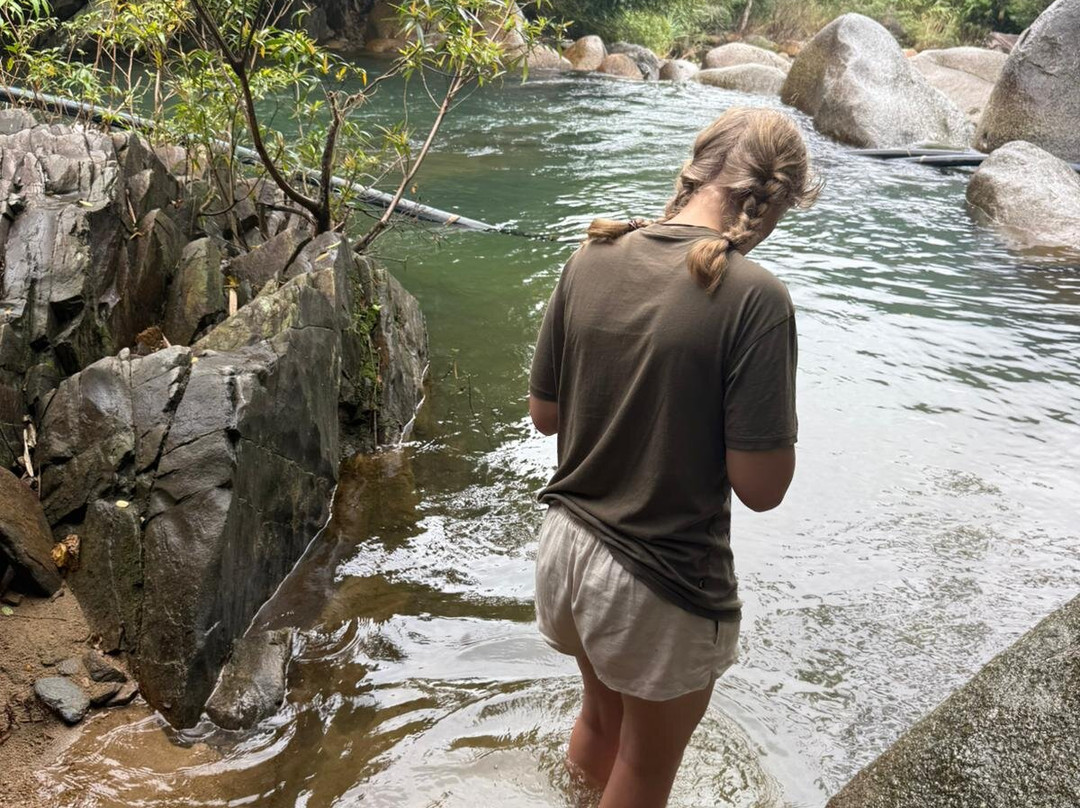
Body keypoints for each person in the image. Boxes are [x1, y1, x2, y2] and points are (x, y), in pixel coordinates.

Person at [528, 107, 821, 808]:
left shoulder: (593, 254)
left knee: (600, 725)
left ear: (695, 170)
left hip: (567, 549)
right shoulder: (755, 297)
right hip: (659, 579)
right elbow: (761, 487)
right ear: (776, 199)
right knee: (645, 766)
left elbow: (545, 416)